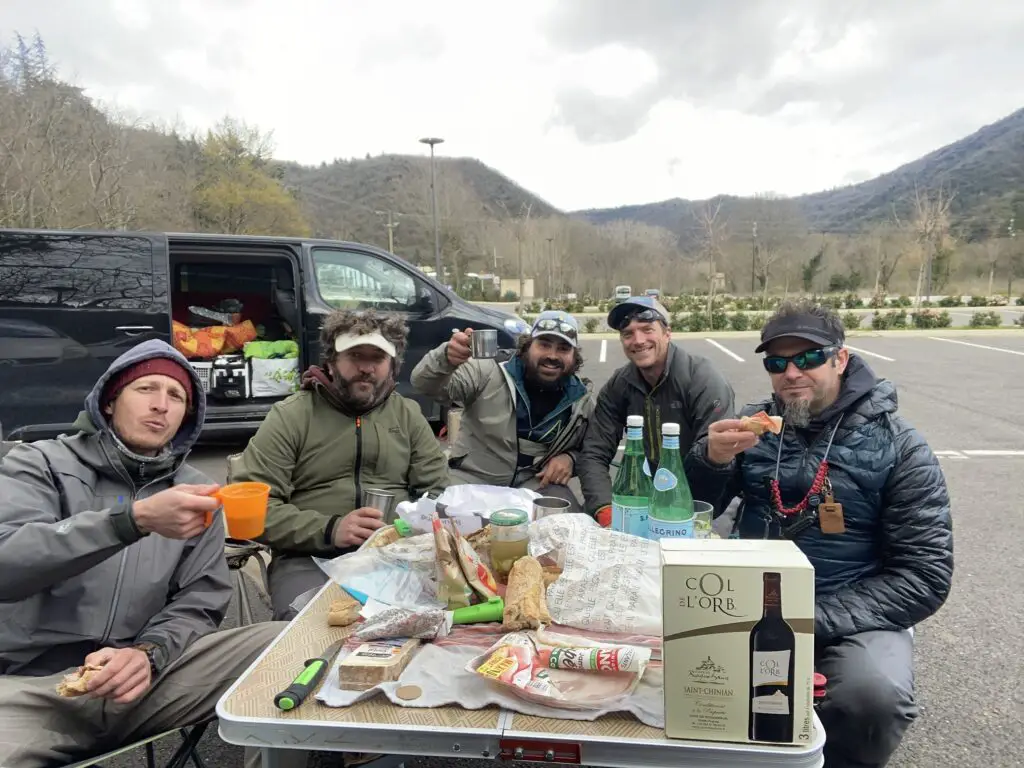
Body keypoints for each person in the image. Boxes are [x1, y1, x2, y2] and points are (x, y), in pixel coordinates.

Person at [687, 299, 954, 768]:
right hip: (748, 597)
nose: (791, 373)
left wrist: (810, 618)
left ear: (841, 358)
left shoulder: (899, 446)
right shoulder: (754, 428)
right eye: (776, 362)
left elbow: (925, 574)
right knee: (684, 674)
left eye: (808, 357)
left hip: (852, 608)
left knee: (873, 696)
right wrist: (709, 460)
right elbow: (689, 507)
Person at [0, 340, 287, 768]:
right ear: (109, 402)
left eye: (177, 397)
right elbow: (8, 562)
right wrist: (130, 521)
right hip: (31, 690)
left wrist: (150, 653)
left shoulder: (193, 492)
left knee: (292, 641)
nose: (161, 405)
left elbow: (199, 600)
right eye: (145, 389)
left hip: (142, 682)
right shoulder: (40, 464)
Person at [233, 309, 449, 621]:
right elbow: (253, 509)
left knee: (434, 624)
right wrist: (330, 529)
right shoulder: (292, 415)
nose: (365, 367)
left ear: (393, 366)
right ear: (332, 362)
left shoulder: (408, 415)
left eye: (377, 357)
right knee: (311, 630)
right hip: (308, 557)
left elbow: (437, 495)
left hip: (397, 556)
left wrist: (405, 531)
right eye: (354, 355)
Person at [410, 310, 593, 512]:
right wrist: (446, 358)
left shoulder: (581, 400)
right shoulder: (488, 372)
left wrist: (571, 459)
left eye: (563, 349)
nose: (552, 355)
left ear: (574, 356)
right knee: (434, 526)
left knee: (569, 521)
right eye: (544, 345)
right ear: (527, 346)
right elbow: (423, 383)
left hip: (535, 487)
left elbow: (595, 450)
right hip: (471, 482)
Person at [577, 296, 735, 524]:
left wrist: (676, 513)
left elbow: (714, 463)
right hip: (644, 500)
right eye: (628, 334)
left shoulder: (702, 378)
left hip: (703, 501)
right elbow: (594, 451)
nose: (638, 340)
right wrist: (604, 509)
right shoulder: (620, 384)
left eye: (647, 329)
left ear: (667, 333)